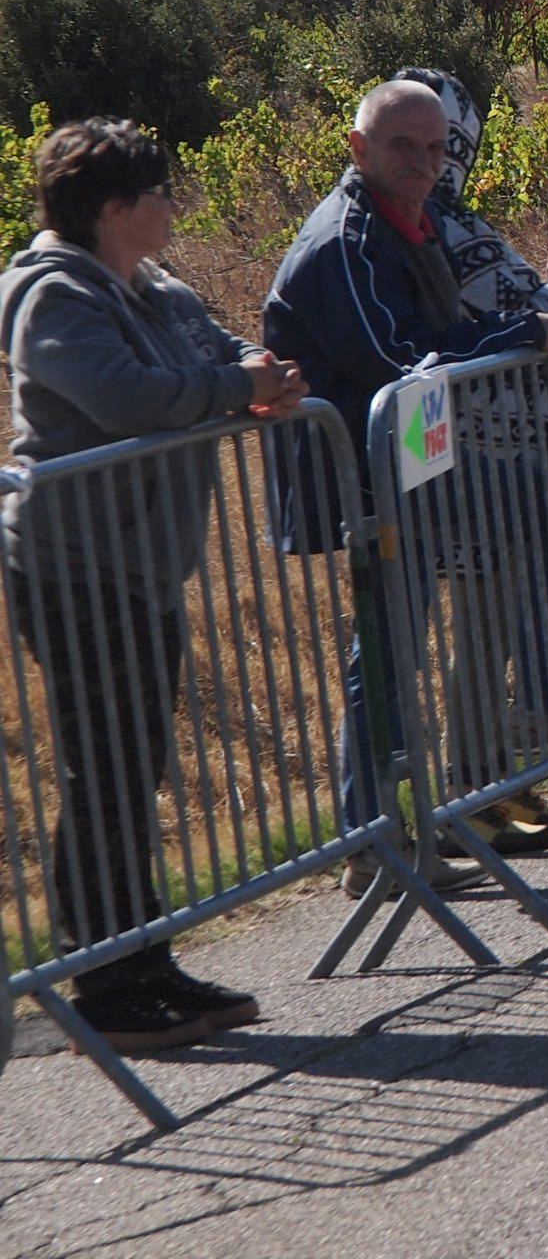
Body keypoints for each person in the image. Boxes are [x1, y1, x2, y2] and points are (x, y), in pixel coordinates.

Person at [263, 79, 548, 891]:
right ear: (358, 148)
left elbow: (449, 335)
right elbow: (396, 357)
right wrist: (532, 325)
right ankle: (377, 841)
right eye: (402, 145)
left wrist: (532, 318)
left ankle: (524, 717)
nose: (423, 162)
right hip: (363, 474)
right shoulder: (346, 241)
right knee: (387, 653)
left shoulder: (413, 220)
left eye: (436, 148)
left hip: (417, 457)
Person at [1, 118, 306, 1052]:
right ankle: (103, 986)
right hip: (75, 566)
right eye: (162, 193)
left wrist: (261, 379)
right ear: (113, 208)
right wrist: (236, 387)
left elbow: (228, 354)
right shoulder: (51, 294)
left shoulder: (156, 285)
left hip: (140, 567)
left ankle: (147, 963)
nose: (176, 206)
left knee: (135, 770)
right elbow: (129, 396)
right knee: (107, 773)